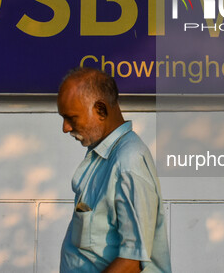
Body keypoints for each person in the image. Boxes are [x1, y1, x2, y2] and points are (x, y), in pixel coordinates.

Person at [57, 67, 171, 273]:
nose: (65, 127)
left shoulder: (127, 164)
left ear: (100, 110)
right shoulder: (104, 156)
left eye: (71, 118)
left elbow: (131, 263)